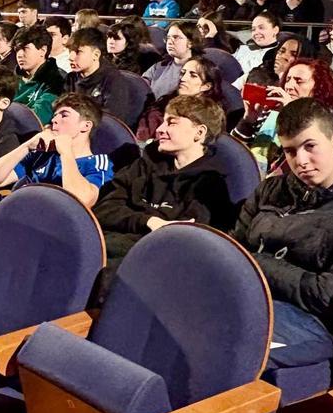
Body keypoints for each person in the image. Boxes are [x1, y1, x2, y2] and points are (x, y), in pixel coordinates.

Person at [233, 98, 333, 374]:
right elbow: (235, 247)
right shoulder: (271, 190)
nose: (301, 161)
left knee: (225, 350)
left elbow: (327, 295)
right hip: (251, 298)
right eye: (290, 151)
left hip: (312, 322)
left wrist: (256, 264)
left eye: (310, 146)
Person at [94, 94, 235, 283]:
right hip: (107, 242)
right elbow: (105, 208)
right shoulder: (146, 163)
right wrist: (148, 221)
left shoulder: (209, 186)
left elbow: (178, 242)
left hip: (146, 264)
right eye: (162, 122)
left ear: (199, 133)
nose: (160, 129)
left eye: (172, 123)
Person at [0, 93, 113, 208]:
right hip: (12, 208)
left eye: (64, 116)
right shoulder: (42, 155)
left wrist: (66, 152)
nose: (54, 120)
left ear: (86, 126)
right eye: (55, 116)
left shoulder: (97, 163)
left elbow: (81, 201)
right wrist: (27, 146)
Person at [233, 57, 333, 175]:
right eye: (287, 80)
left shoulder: (330, 121)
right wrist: (249, 120)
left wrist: (292, 113)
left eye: (299, 81)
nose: (289, 86)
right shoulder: (271, 113)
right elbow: (235, 154)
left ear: (318, 87)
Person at [64, 28, 134, 121]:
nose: (71, 57)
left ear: (96, 55)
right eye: (70, 51)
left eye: (78, 52)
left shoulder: (114, 81)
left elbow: (111, 121)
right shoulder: (71, 78)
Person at [12, 25, 65, 125]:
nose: (20, 54)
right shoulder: (9, 78)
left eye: (25, 48)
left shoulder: (56, 81)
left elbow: (38, 117)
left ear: (42, 51)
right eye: (17, 49)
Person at [143, 22, 202, 100]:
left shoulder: (200, 70)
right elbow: (140, 86)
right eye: (168, 38)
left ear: (191, 42)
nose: (169, 42)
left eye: (176, 37)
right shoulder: (159, 66)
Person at [233, 12, 282, 85]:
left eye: (261, 28)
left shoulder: (278, 55)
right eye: (253, 29)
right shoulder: (243, 48)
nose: (256, 32)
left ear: (275, 30)